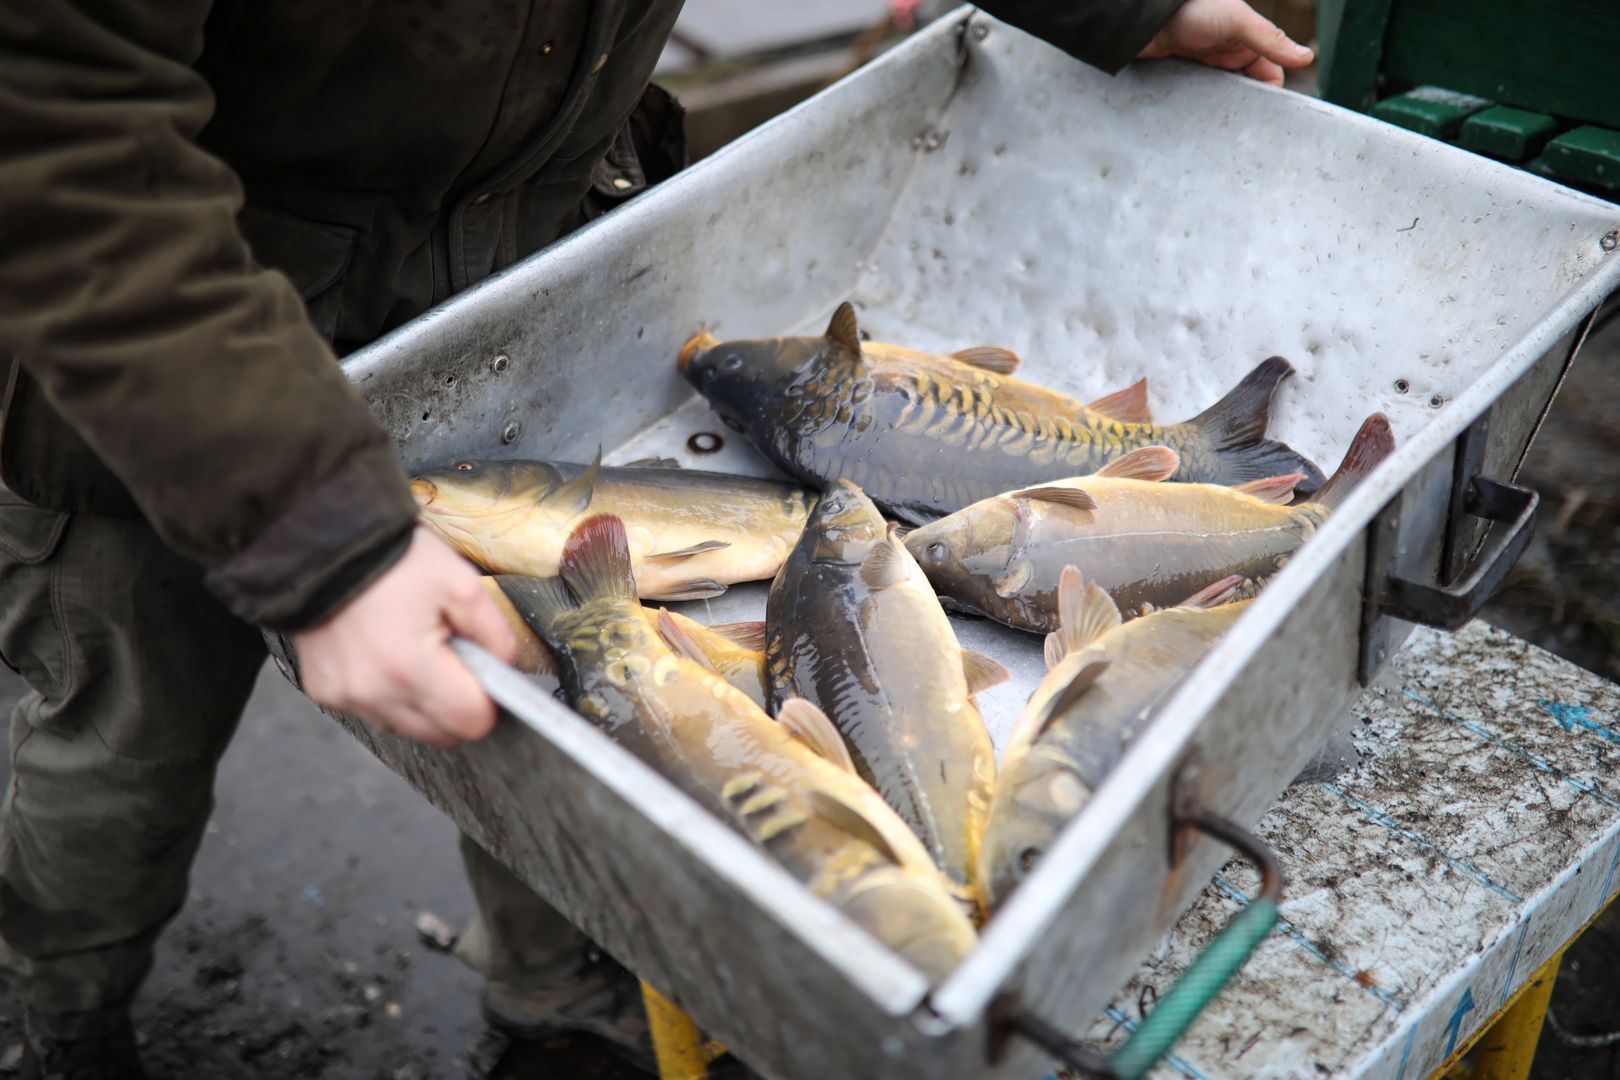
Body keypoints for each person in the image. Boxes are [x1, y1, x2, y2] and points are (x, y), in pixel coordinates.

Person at [0, 1, 1311, 1076]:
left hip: (522, 285)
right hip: (155, 351)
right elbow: (50, 128)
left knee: (556, 702)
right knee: (122, 746)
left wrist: (1110, 4)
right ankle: (57, 1016)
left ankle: (559, 984)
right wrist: (310, 532)